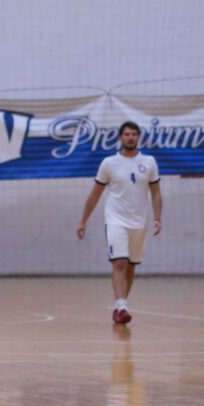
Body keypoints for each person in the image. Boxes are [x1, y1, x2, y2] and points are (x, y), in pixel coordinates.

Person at [77, 121, 162, 325]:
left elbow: (156, 193)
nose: (130, 137)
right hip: (115, 220)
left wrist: (158, 217)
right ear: (120, 138)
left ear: (138, 137)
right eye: (126, 134)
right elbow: (95, 194)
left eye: (133, 134)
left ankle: (120, 306)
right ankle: (122, 307)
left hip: (139, 222)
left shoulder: (149, 162)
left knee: (131, 265)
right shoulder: (109, 163)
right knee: (120, 262)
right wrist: (83, 221)